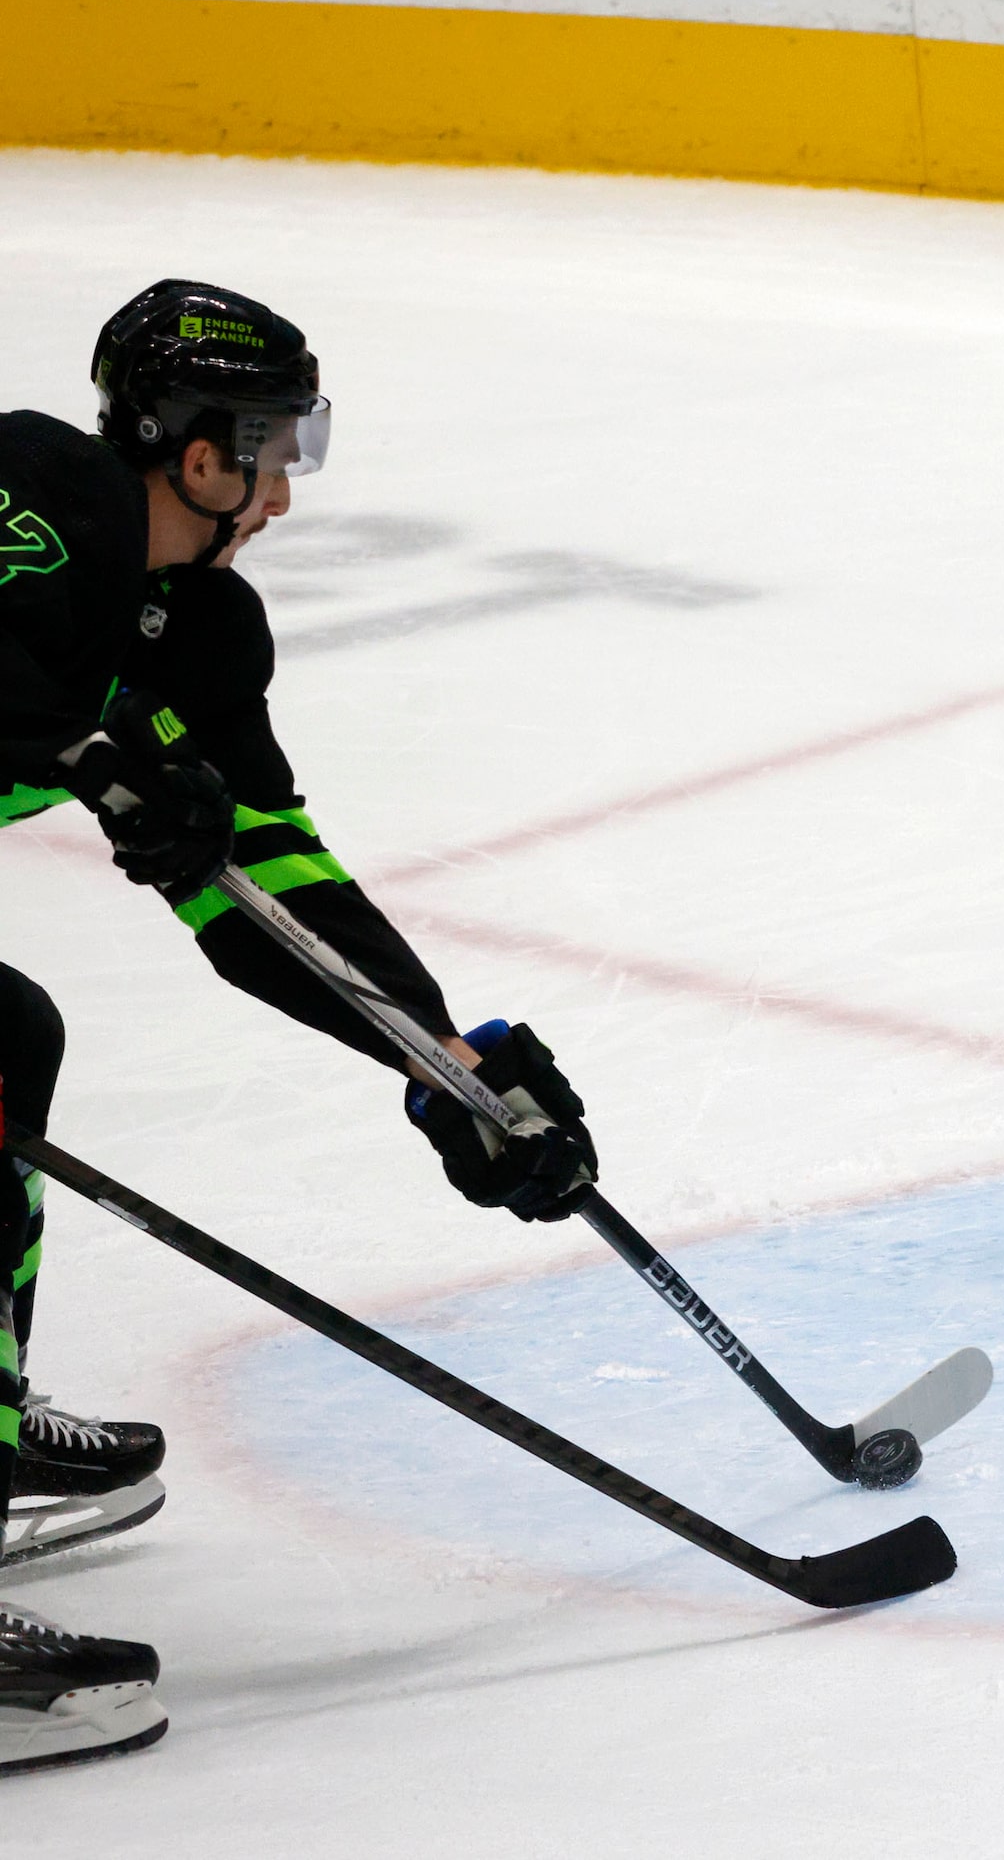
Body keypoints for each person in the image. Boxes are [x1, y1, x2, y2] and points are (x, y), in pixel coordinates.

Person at [0, 280, 598, 1771]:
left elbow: (265, 883)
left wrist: (444, 1063)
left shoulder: (197, 629)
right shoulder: (33, 496)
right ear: (195, 452)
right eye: (269, 448)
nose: (280, 489)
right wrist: (73, 746)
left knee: (9, 1041)